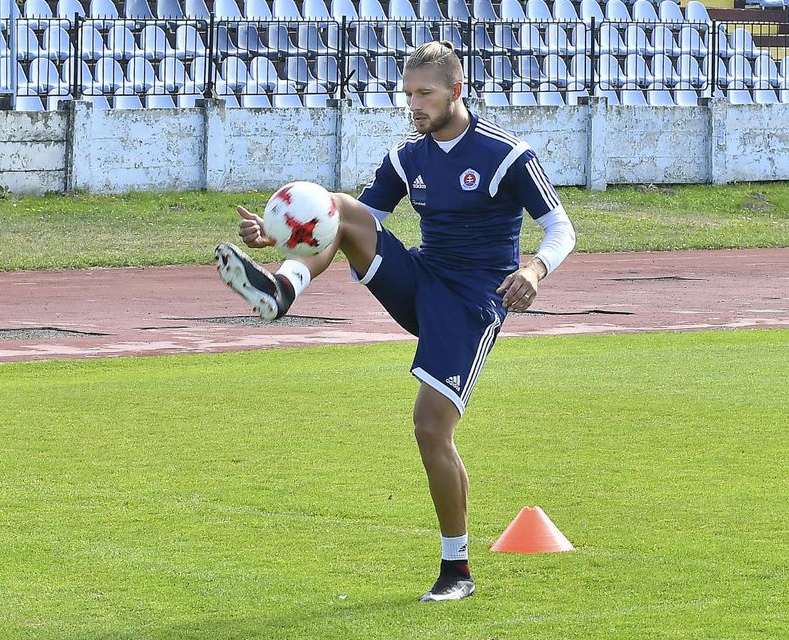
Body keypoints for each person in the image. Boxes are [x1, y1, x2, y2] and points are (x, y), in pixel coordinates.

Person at [215, 41, 576, 602]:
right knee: (341, 208)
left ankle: (457, 571)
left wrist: (534, 269)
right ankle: (284, 287)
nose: (415, 105)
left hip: (473, 303)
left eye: (425, 94)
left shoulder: (506, 154)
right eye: (408, 95)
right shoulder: (409, 156)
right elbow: (343, 225)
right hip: (421, 280)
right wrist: (281, 237)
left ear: (456, 91)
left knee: (431, 430)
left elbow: (561, 228)